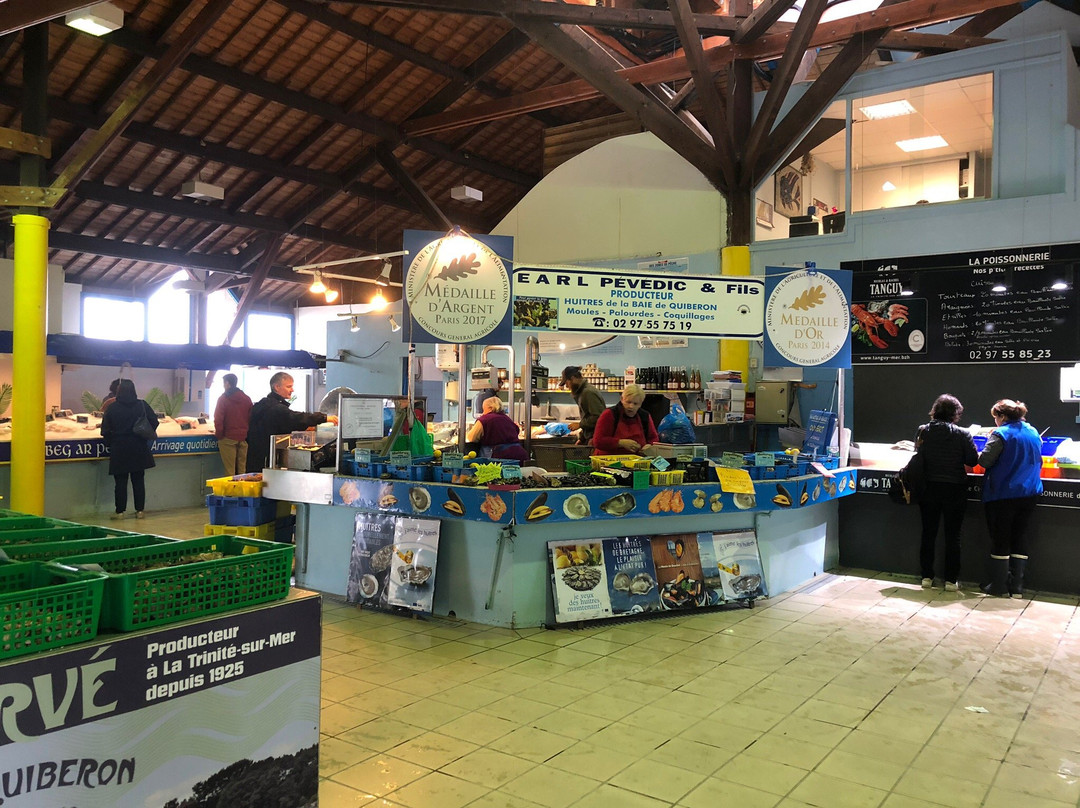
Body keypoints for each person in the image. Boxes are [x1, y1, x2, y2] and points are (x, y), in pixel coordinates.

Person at [978, 398, 1043, 598]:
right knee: (1019, 536)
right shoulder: (1033, 431)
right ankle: (1017, 587)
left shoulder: (1001, 434)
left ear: (1002, 416)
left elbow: (985, 460)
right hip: (1030, 493)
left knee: (1001, 538)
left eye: (995, 417)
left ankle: (998, 586)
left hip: (1004, 493)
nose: (995, 421)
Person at [914, 394, 978, 591]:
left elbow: (918, 454)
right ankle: (951, 580)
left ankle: (926, 576)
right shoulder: (962, 434)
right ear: (955, 414)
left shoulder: (923, 431)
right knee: (953, 536)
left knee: (928, 533)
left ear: (935, 410)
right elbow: (972, 461)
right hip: (955, 489)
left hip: (928, 489)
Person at [246, 372, 336, 473]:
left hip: (255, 457)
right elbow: (295, 418)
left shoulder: (264, 404)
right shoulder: (275, 408)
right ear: (277, 387)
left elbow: (285, 422)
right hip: (265, 459)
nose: (292, 390)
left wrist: (306, 427)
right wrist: (324, 418)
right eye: (289, 387)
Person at [100, 379, 158, 519]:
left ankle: (120, 512)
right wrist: (144, 435)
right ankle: (140, 511)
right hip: (138, 447)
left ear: (118, 391)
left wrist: (111, 444)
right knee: (138, 481)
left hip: (120, 448)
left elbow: (105, 431)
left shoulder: (112, 408)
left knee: (120, 482)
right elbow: (154, 421)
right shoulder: (142, 405)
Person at [592, 384, 659, 456]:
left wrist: (650, 446)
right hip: (608, 460)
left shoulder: (645, 416)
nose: (631, 406)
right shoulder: (609, 414)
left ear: (641, 404)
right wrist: (620, 443)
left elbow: (654, 439)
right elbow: (598, 441)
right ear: (622, 399)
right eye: (628, 402)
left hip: (637, 461)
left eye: (635, 403)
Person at [465, 396, 528, 462]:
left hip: (498, 457)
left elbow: (471, 438)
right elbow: (517, 430)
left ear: (490, 408)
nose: (483, 413)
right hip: (519, 455)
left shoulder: (484, 420)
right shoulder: (507, 418)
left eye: (484, 409)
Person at [214, 373, 253, 475]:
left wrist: (219, 435)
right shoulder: (246, 398)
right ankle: (242, 491)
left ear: (227, 383)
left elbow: (218, 419)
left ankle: (231, 491)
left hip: (228, 438)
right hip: (243, 439)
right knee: (242, 471)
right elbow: (250, 417)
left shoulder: (223, 399)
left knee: (229, 471)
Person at [561, 366, 605, 446]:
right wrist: (582, 438)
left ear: (573, 378)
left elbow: (598, 417)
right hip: (590, 437)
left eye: (567, 382)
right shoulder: (582, 393)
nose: (567, 386)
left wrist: (580, 424)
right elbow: (588, 416)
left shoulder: (588, 392)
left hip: (595, 438)